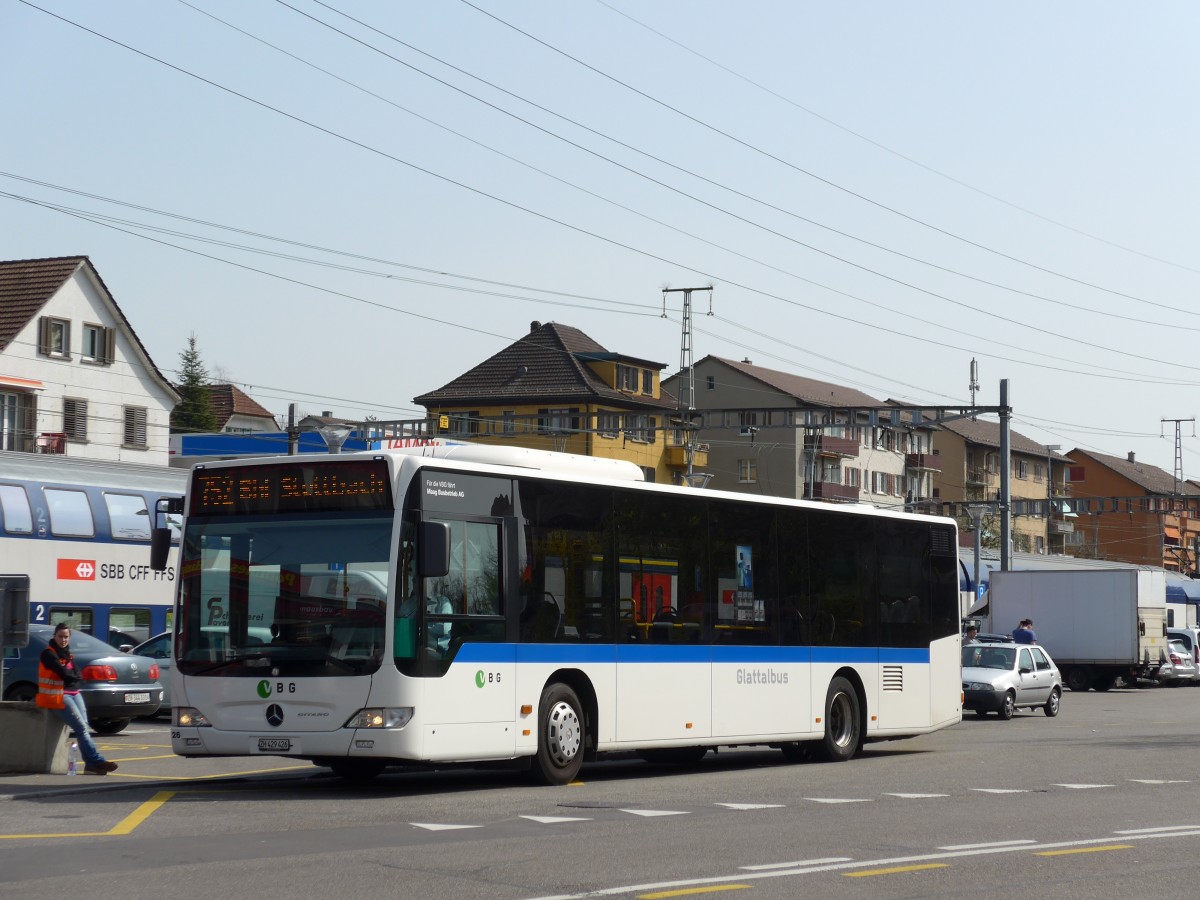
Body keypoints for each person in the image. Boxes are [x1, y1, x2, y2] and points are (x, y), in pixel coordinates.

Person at [36, 623, 119, 776]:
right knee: (81, 728)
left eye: (66, 637)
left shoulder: (68, 654)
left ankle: (90, 765)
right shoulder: (48, 654)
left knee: (84, 728)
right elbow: (64, 674)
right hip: (57, 696)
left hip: (74, 693)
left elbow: (78, 675)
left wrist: (72, 677)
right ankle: (97, 761)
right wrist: (72, 677)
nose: (63, 640)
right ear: (54, 636)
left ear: (69, 638)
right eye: (60, 636)